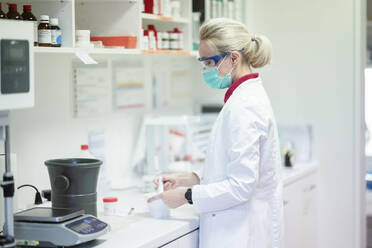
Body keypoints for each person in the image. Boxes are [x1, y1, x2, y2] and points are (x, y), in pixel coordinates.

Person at [148, 18, 283, 248]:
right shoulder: (242, 98)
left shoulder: (245, 106)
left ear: (233, 58)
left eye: (210, 63)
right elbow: (230, 164)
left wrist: (186, 195)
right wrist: (187, 178)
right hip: (238, 227)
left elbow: (242, 185)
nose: (206, 70)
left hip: (242, 233)